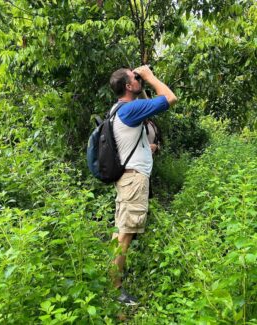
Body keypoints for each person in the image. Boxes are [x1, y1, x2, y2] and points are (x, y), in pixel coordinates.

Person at [109, 65, 177, 305]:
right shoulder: (130, 108)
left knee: (122, 232)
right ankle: (115, 291)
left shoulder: (121, 110)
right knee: (125, 235)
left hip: (129, 178)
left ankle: (112, 280)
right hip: (133, 181)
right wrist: (150, 76)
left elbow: (142, 126)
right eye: (135, 78)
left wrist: (145, 150)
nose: (139, 79)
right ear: (128, 86)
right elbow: (169, 98)